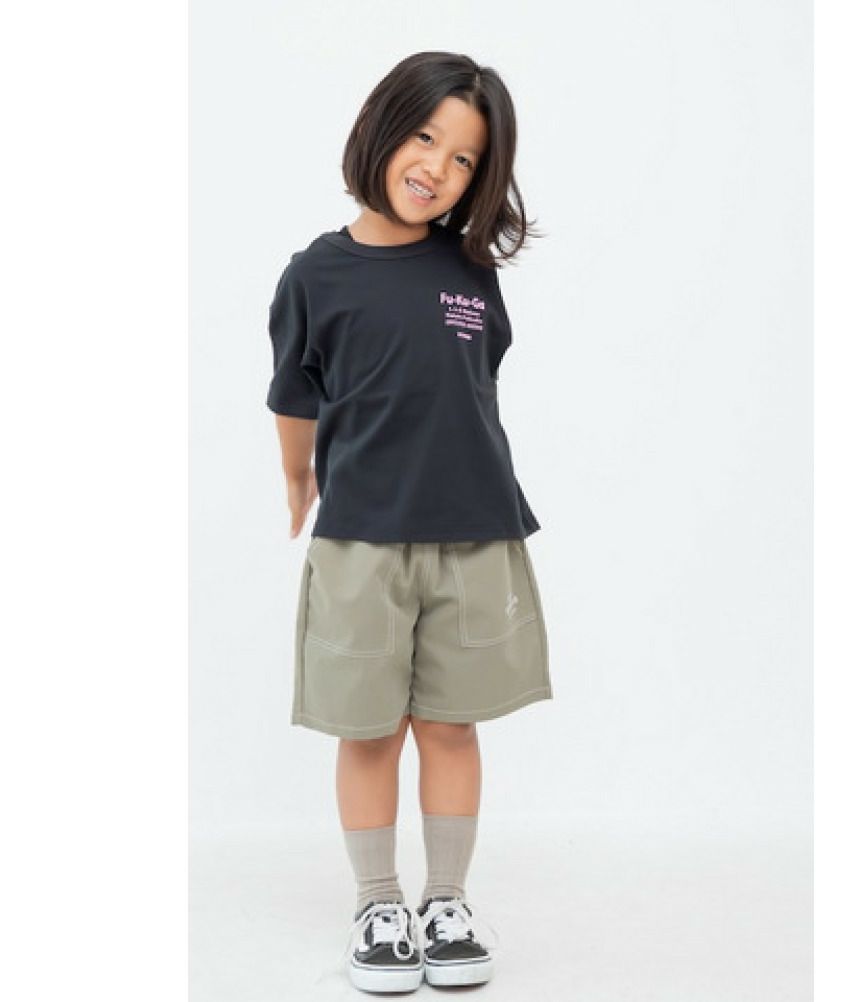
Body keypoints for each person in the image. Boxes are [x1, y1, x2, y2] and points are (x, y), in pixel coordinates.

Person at [265, 51, 553, 994]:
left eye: (466, 158)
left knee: (451, 727)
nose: (439, 166)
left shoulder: (471, 273)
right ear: (382, 130)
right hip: (361, 544)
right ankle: (379, 903)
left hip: (473, 534)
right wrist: (298, 478)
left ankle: (447, 901)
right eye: (426, 137)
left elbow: (475, 389)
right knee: (368, 731)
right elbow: (294, 394)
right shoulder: (316, 274)